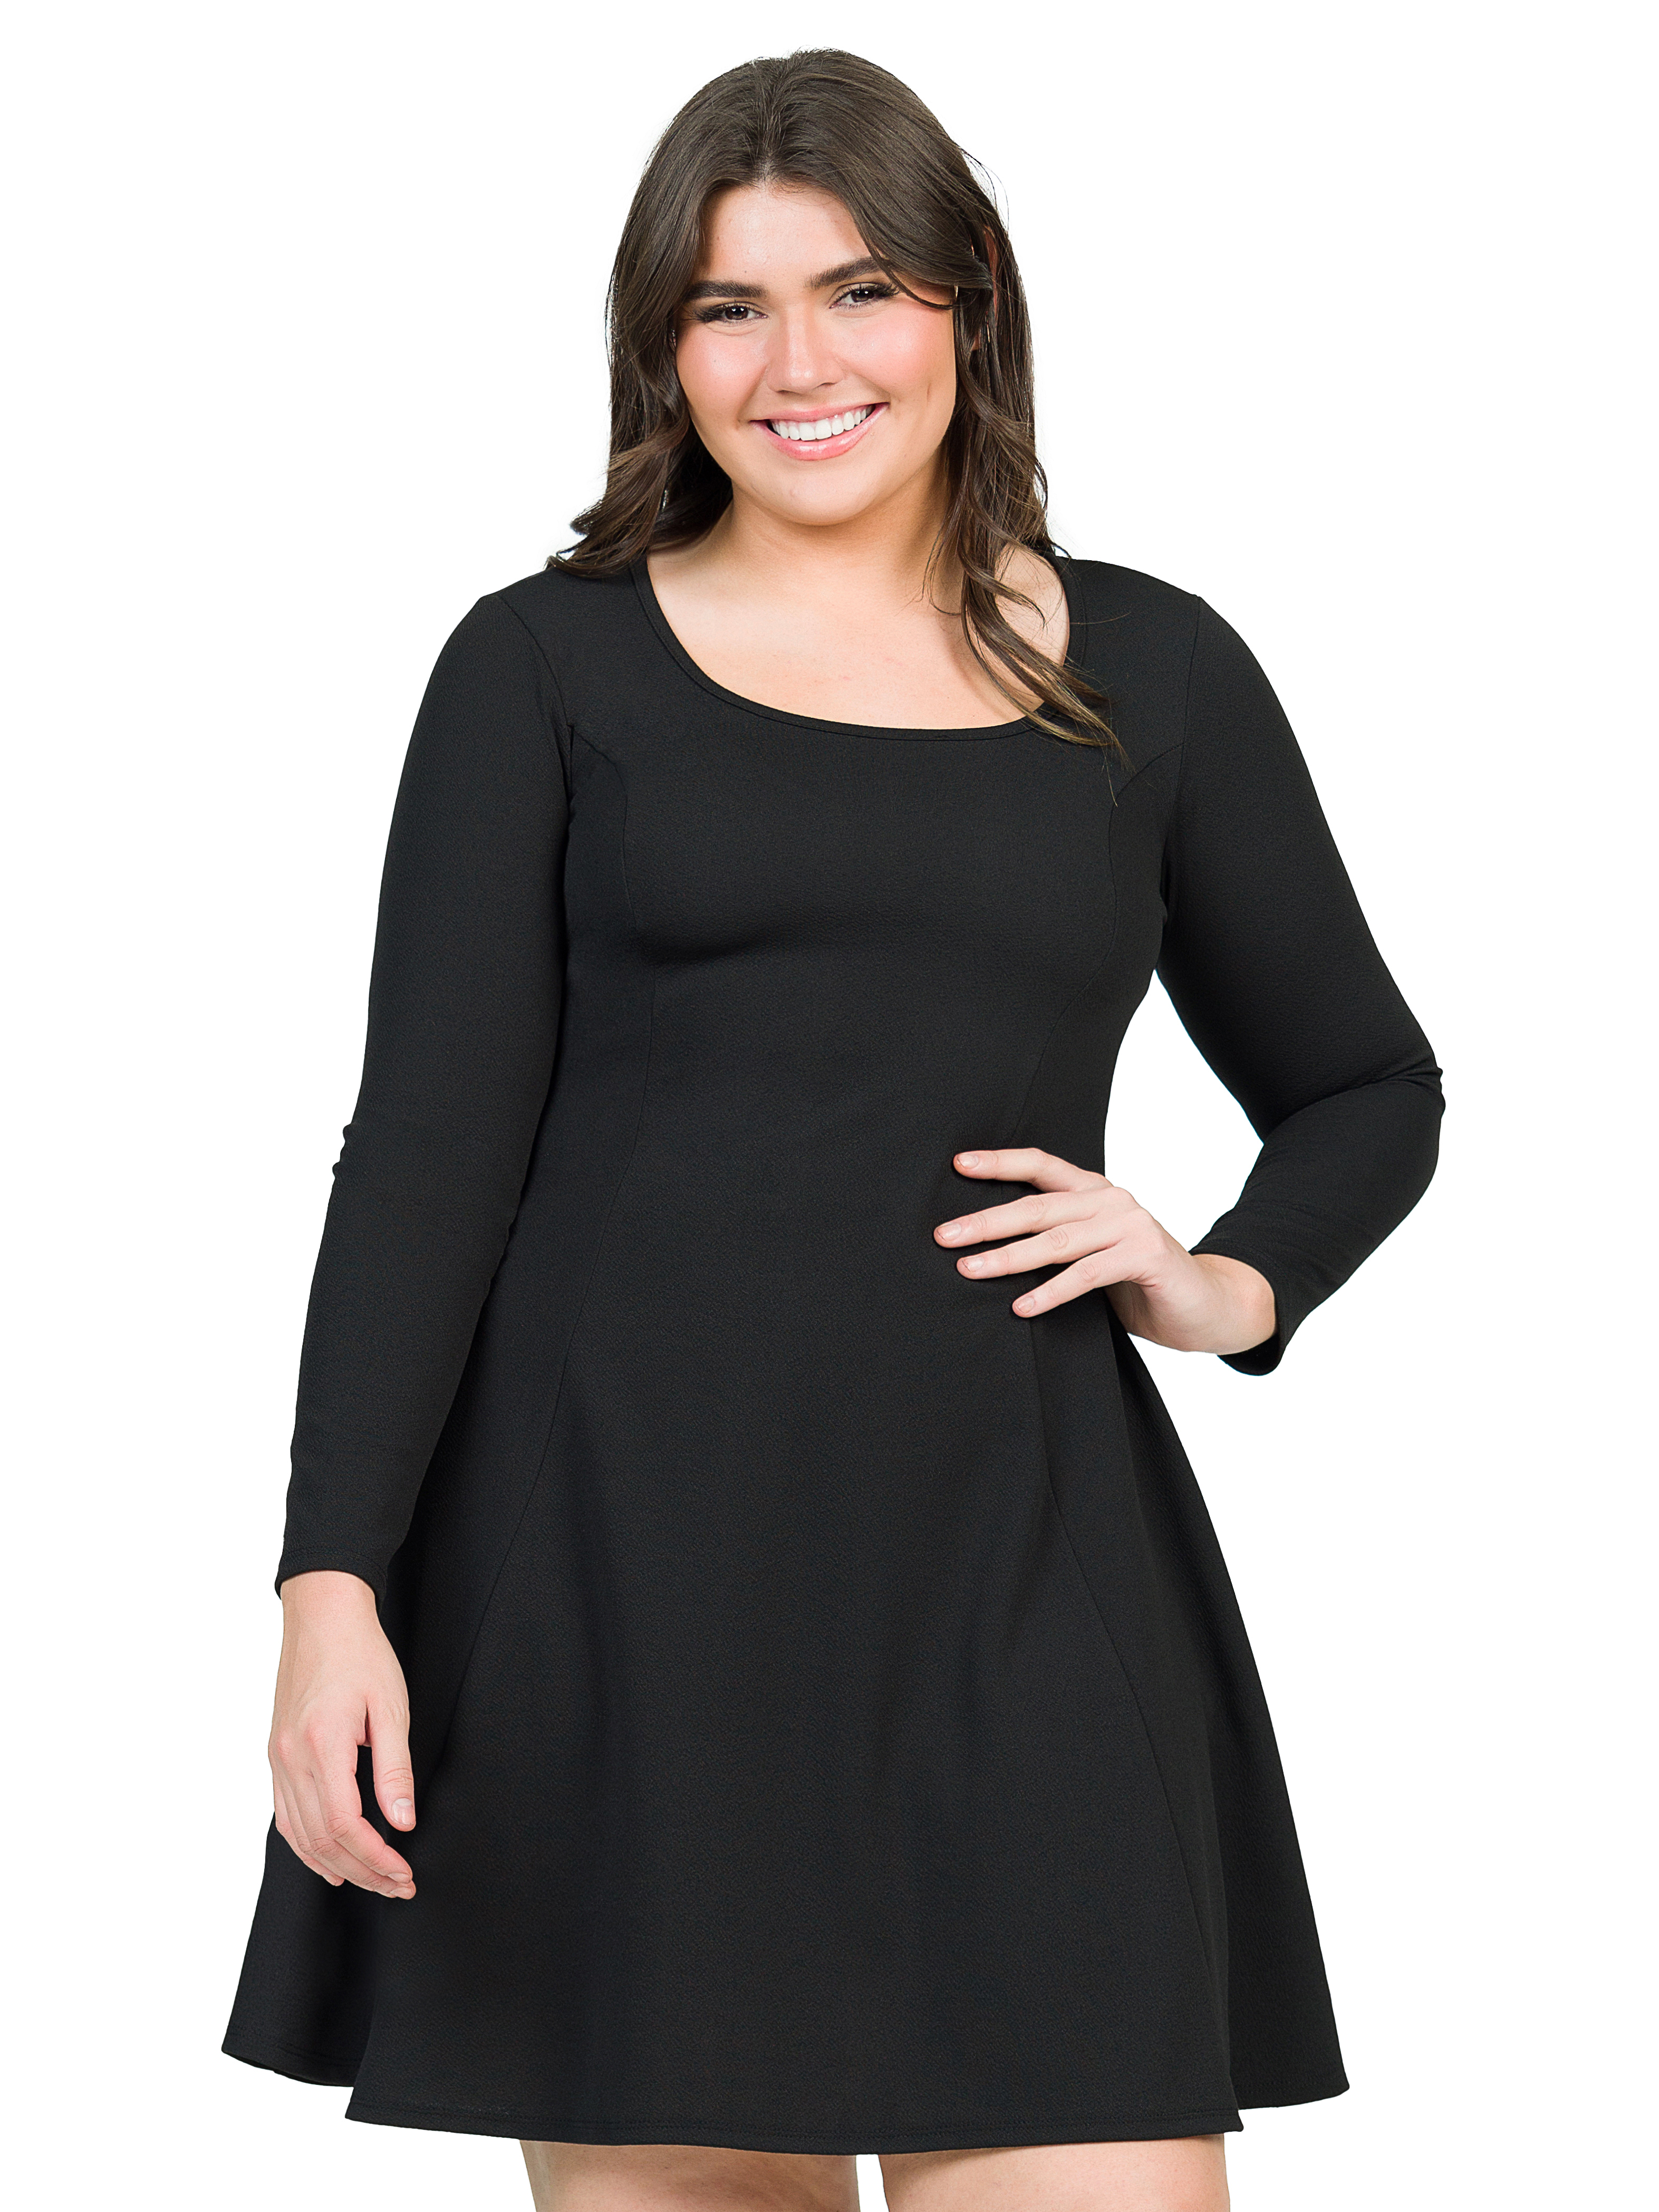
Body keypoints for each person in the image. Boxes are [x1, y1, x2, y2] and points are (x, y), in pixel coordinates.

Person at [224, 47, 1443, 2212]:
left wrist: (1222, 1279)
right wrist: (331, 1588)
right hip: (614, 1587)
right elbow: (421, 1161)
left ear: (970, 296)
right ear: (662, 350)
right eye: (729, 308)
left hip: (1020, 1568)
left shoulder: (1150, 669)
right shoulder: (541, 668)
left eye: (860, 288)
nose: (800, 365)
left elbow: (1365, 1083)